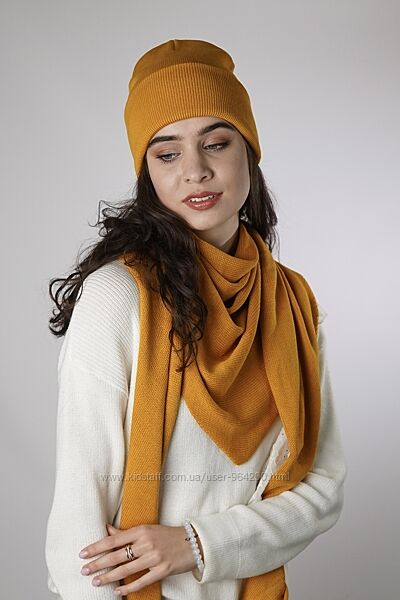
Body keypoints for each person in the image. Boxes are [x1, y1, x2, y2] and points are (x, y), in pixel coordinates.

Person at [45, 39, 347, 600]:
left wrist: (198, 544)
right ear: (148, 174)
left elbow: (321, 488)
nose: (196, 171)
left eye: (216, 143)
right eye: (167, 154)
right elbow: (80, 536)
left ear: (248, 152)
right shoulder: (118, 298)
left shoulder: (293, 304)